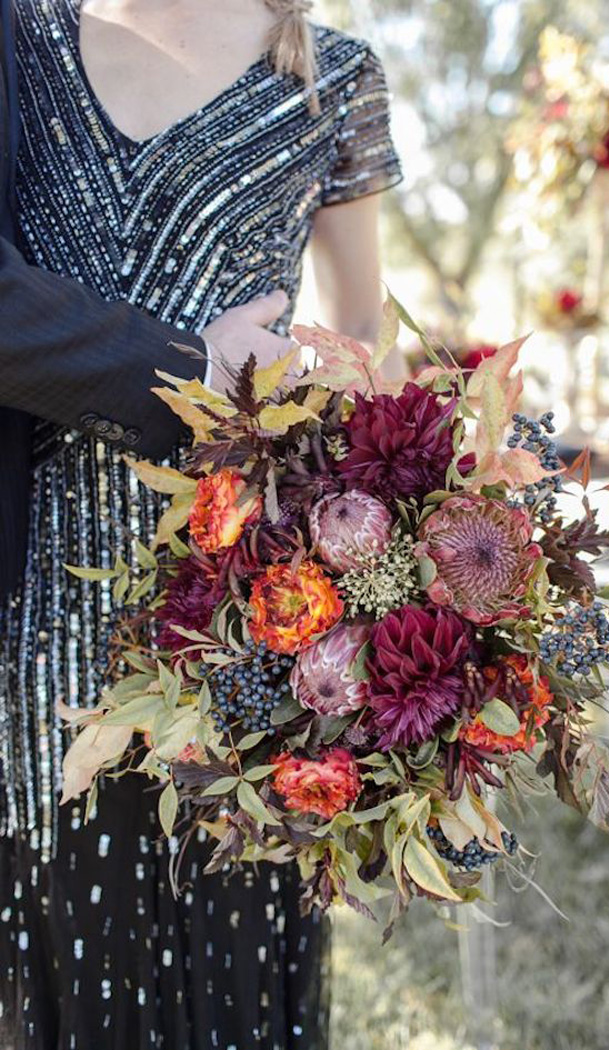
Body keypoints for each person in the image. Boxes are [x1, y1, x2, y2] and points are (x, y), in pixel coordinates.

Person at [0, 0, 402, 1046]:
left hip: (244, 604)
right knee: (62, 944)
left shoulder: (334, 76)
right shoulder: (24, 41)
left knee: (230, 936)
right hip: (37, 591)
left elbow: (362, 331)